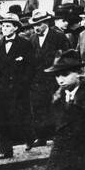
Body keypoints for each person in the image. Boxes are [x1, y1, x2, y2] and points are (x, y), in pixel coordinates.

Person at [0, 13, 33, 159]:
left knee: (21, 117)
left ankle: (29, 137)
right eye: (2, 26)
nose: (4, 29)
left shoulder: (24, 44)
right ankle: (5, 150)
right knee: (1, 118)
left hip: (18, 89)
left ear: (15, 28)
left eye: (8, 26)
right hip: (1, 89)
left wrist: (23, 84)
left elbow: (29, 67)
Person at [27, 9, 70, 148]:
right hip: (37, 81)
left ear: (46, 23)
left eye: (39, 24)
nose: (36, 28)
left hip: (54, 79)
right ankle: (41, 137)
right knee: (38, 109)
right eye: (34, 25)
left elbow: (67, 57)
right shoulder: (32, 39)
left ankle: (58, 136)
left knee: (56, 108)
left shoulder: (58, 37)